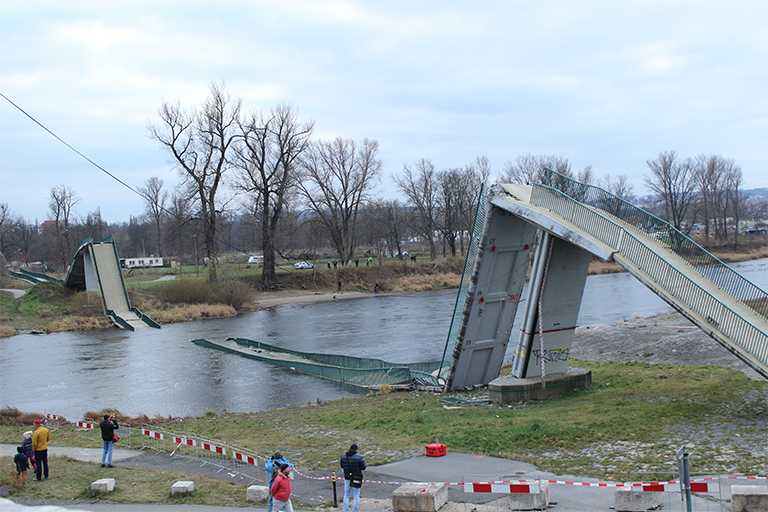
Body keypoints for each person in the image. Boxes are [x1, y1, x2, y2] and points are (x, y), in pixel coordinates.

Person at [340, 443, 366, 512]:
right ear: (356, 450)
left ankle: (345, 510)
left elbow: (342, 465)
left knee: (346, 494)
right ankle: (354, 510)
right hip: (356, 478)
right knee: (356, 495)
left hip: (347, 477)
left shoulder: (343, 456)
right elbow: (363, 467)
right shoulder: (359, 457)